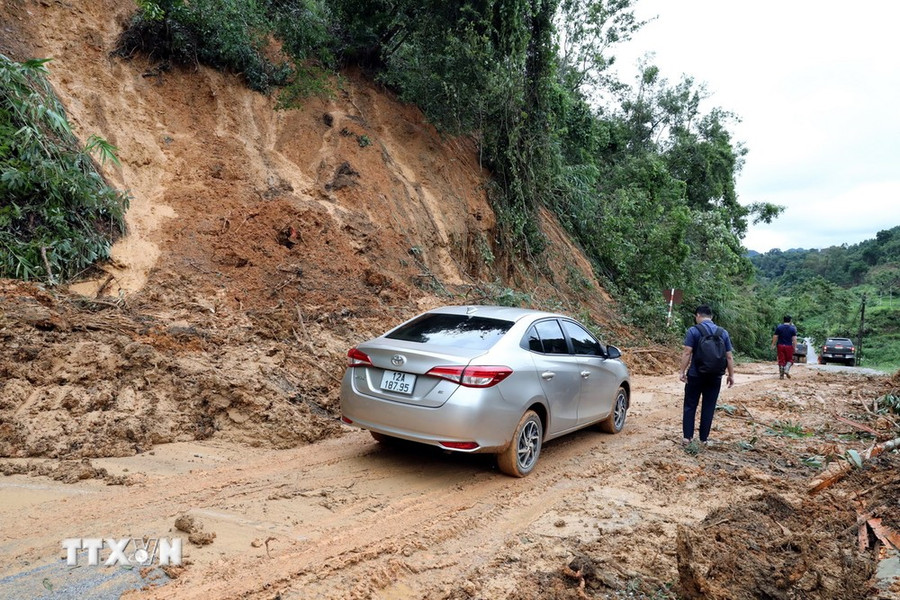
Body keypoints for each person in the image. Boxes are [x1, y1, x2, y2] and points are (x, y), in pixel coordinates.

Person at [679, 305, 735, 446]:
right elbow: (729, 356)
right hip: (715, 376)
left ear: (698, 315)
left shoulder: (694, 331)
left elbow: (687, 352)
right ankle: (703, 439)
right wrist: (731, 375)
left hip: (696, 374)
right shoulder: (723, 333)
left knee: (690, 405)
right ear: (711, 317)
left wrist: (682, 371)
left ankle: (687, 437)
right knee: (709, 406)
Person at [771, 315, 798, 379]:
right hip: (788, 346)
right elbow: (794, 339)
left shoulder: (779, 327)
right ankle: (786, 369)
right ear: (790, 321)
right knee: (789, 360)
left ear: (783, 320)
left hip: (780, 346)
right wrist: (795, 347)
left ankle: (781, 376)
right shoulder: (792, 329)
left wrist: (773, 344)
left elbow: (775, 336)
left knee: (781, 360)